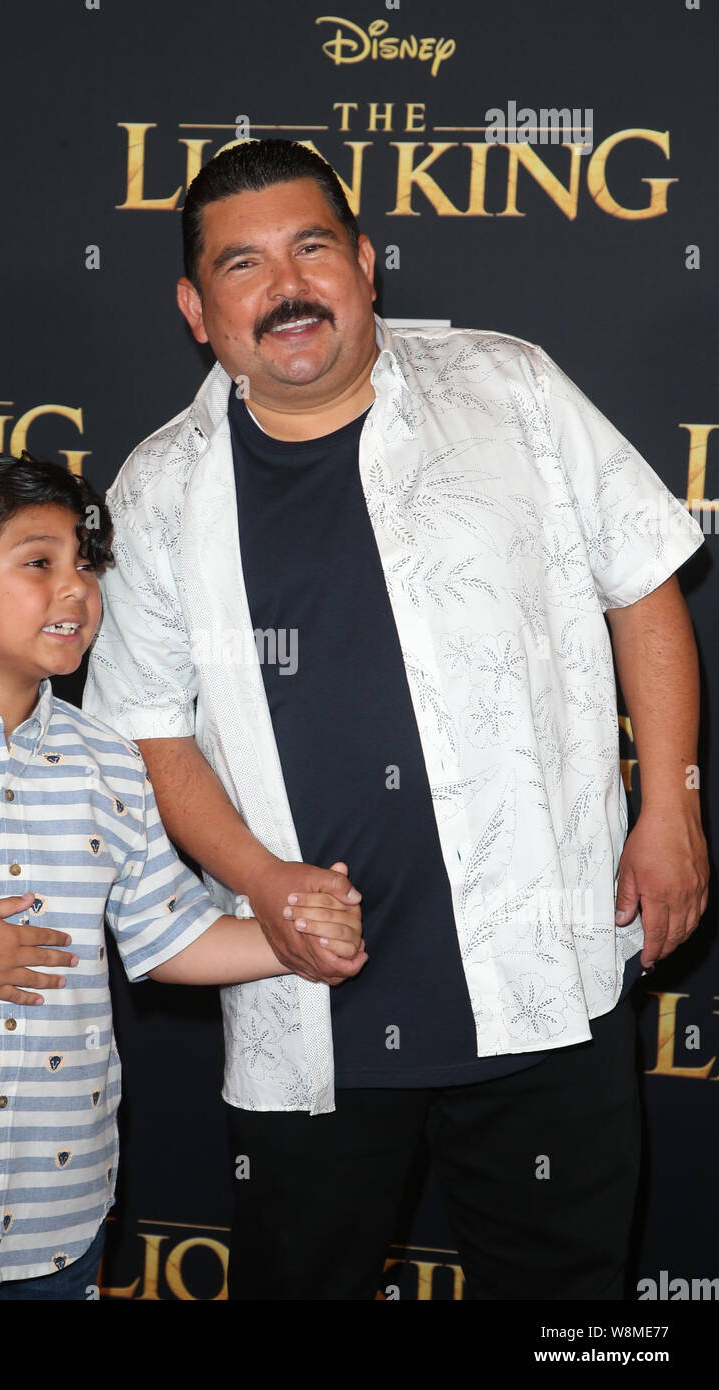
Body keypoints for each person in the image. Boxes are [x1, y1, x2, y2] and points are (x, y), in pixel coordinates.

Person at [83, 139, 709, 1300]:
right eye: (242, 263)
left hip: (538, 974)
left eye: (311, 246)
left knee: (570, 1306)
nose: (286, 286)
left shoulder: (508, 387)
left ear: (366, 265)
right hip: (306, 993)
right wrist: (261, 883)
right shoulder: (159, 489)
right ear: (194, 305)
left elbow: (640, 585)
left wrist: (669, 804)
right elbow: (148, 731)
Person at [0, 448, 363, 1300]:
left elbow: (171, 937)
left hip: (56, 1217)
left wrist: (294, 941)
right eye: (39, 563)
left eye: (86, 565)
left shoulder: (109, 763)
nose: (77, 590)